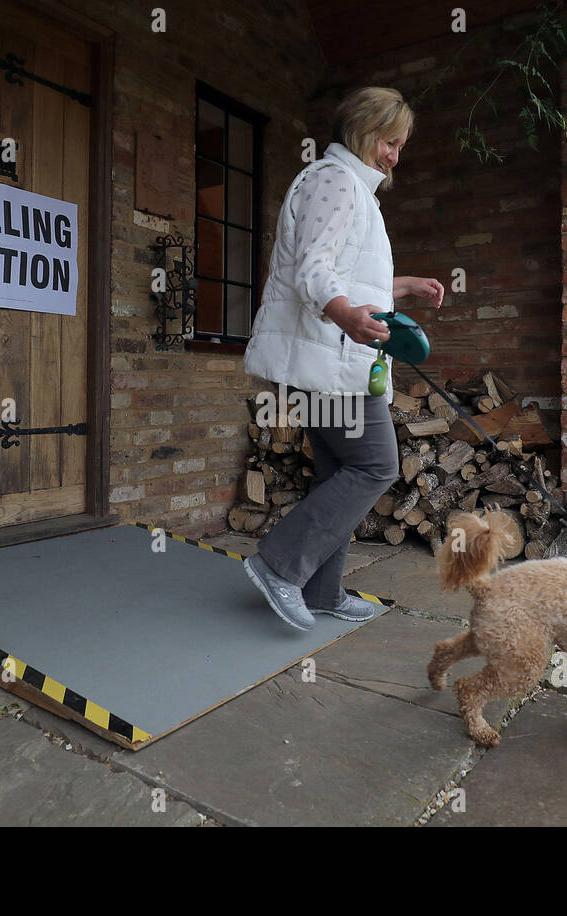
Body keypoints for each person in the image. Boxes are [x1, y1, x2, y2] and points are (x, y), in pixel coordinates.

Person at [242, 86, 444, 631]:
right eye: (390, 142)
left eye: (401, 146)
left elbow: (354, 277)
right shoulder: (334, 182)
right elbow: (314, 269)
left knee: (337, 472)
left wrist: (405, 285)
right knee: (375, 463)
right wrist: (348, 316)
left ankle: (324, 593)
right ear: (362, 131)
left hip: (335, 364)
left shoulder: (355, 190)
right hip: (330, 365)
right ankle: (278, 565)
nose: (395, 156)